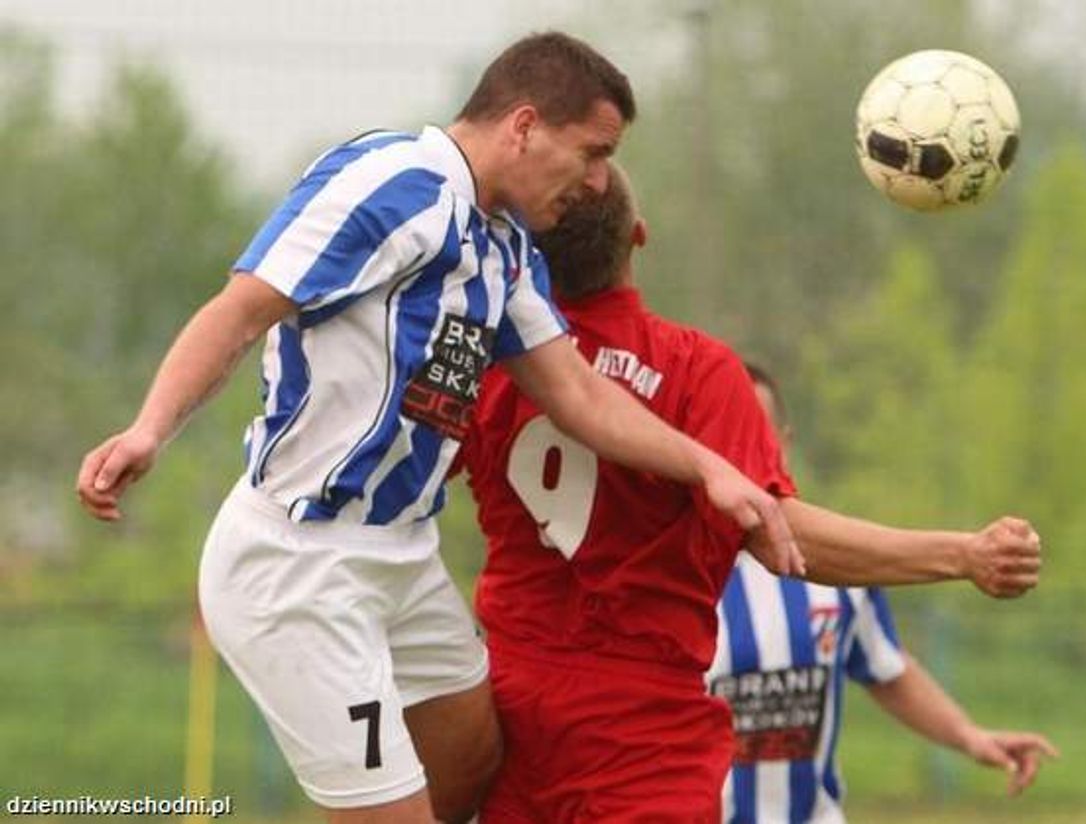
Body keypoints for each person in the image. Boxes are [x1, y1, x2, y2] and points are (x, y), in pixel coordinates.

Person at [74, 33, 804, 824]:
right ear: (524, 126)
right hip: (301, 567)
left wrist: (708, 467)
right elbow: (240, 310)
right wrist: (149, 429)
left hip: (403, 556)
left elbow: (579, 395)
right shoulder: (391, 185)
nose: (599, 182)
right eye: (593, 153)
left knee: (472, 751)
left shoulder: (503, 247)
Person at [458, 162, 1044, 822]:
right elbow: (780, 533)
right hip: (639, 734)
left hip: (513, 712)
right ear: (638, 236)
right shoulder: (693, 369)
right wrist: (963, 554)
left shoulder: (491, 367)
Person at [711, 364, 1059, 823]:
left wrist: (969, 736)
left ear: (785, 444)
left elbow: (887, 669)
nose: (739, 449)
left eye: (756, 431)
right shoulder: (670, 574)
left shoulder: (836, 569)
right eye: (724, 435)